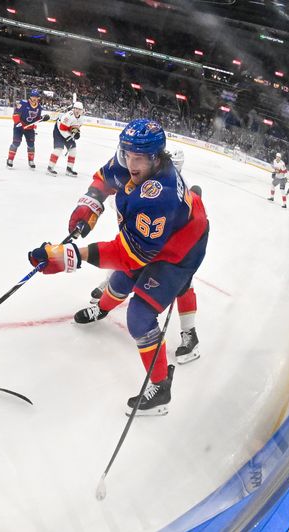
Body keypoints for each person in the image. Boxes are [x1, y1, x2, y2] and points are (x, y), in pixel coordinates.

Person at [29, 119, 209, 416]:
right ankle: (103, 308)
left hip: (181, 250)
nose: (130, 163)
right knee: (121, 281)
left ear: (156, 158)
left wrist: (68, 256)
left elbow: (131, 257)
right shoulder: (133, 158)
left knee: (139, 315)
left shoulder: (158, 196)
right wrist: (91, 204)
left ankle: (161, 388)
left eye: (138, 158)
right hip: (165, 233)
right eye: (127, 155)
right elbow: (105, 177)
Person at [76, 147, 201, 364]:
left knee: (184, 285)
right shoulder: (136, 174)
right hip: (146, 240)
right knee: (123, 271)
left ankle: (190, 333)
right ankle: (103, 304)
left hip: (175, 249)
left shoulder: (168, 187)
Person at [6, 89, 49, 170]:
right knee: (16, 143)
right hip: (19, 126)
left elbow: (37, 119)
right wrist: (18, 123)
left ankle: (31, 161)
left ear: (38, 98)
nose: (34, 98)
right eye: (33, 96)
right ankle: (10, 159)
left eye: (36, 97)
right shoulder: (23, 103)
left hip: (30, 128)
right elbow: (15, 114)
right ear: (30, 96)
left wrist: (42, 118)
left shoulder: (39, 107)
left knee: (31, 145)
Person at [47, 101, 84, 177]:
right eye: (76, 109)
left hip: (66, 132)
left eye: (79, 109)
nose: (77, 111)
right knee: (58, 149)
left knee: (73, 150)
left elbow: (75, 128)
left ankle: (69, 169)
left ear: (82, 110)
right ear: (73, 109)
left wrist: (76, 133)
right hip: (58, 131)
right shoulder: (68, 116)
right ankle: (50, 167)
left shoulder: (81, 119)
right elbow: (62, 128)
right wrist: (69, 137)